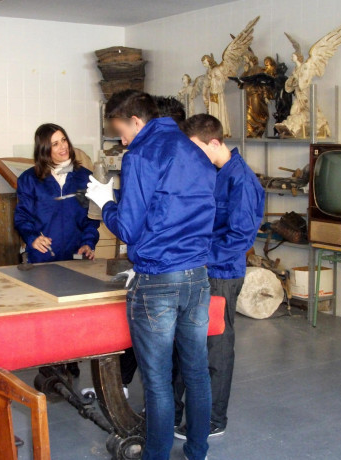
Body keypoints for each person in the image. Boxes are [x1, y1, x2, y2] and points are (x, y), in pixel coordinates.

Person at [86, 90, 217, 460]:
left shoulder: (141, 154)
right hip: (197, 276)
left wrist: (106, 202)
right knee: (195, 372)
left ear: (136, 122)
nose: (121, 140)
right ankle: (197, 450)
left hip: (158, 278)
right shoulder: (195, 150)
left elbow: (128, 228)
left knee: (158, 381)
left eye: (120, 132)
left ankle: (155, 455)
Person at [173, 113, 264, 439]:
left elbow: (239, 240)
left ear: (214, 143)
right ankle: (176, 410)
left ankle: (213, 419)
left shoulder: (241, 181)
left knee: (216, 349)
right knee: (188, 344)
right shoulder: (214, 173)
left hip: (221, 275)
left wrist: (197, 257)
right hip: (199, 271)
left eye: (196, 149)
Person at [14, 123, 99, 263]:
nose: (63, 146)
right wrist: (32, 238)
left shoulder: (84, 178)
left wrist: (88, 243)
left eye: (64, 140)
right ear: (44, 149)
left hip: (76, 257)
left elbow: (90, 219)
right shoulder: (29, 179)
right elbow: (22, 217)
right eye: (55, 144)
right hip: (42, 258)